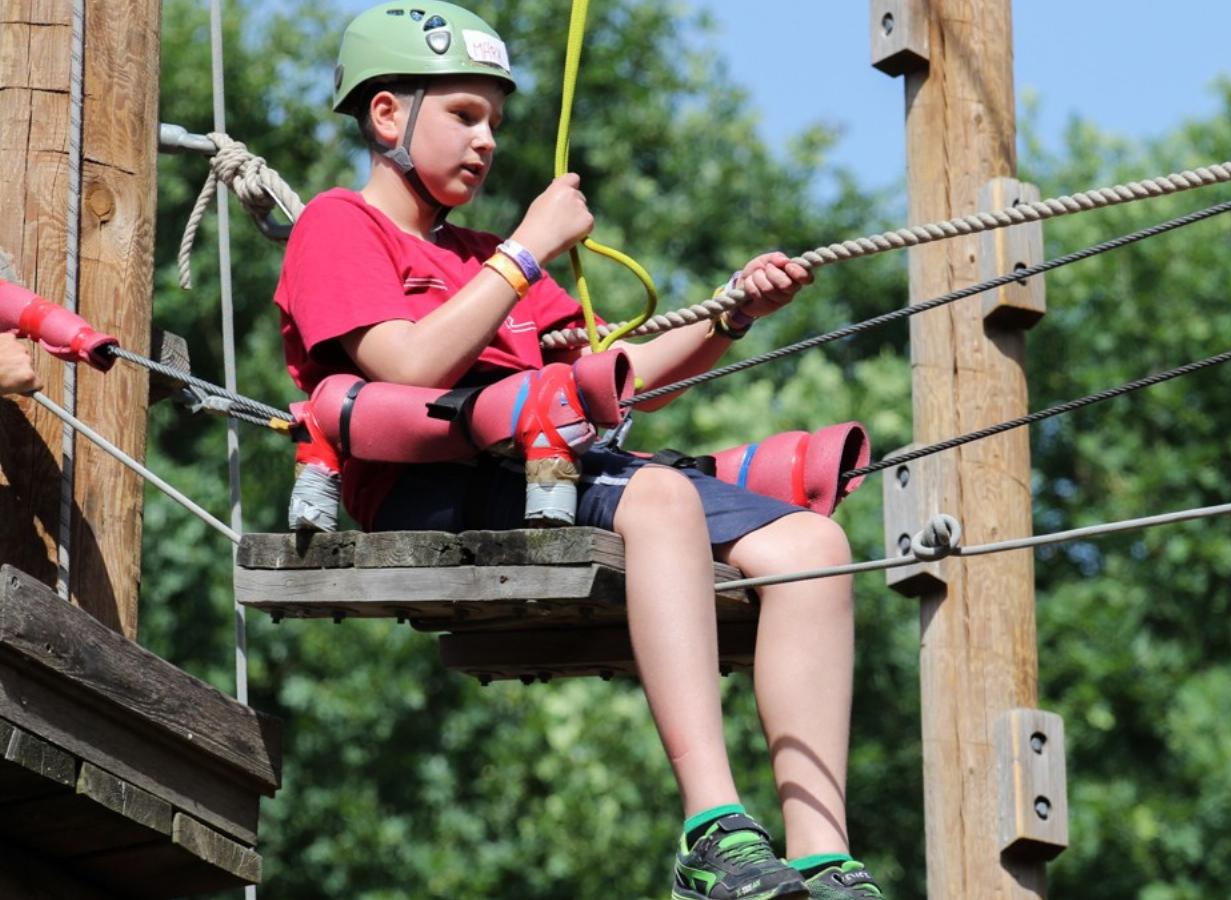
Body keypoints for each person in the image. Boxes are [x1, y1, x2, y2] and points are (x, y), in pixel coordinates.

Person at [273, 5, 883, 898]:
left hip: (554, 466)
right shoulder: (340, 226)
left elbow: (612, 383)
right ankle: (714, 833)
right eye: (464, 116)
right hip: (430, 480)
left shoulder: (485, 254)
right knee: (661, 503)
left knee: (811, 546)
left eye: (495, 124)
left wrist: (730, 314)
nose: (486, 142)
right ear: (387, 116)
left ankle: (821, 854)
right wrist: (525, 252)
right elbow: (405, 364)